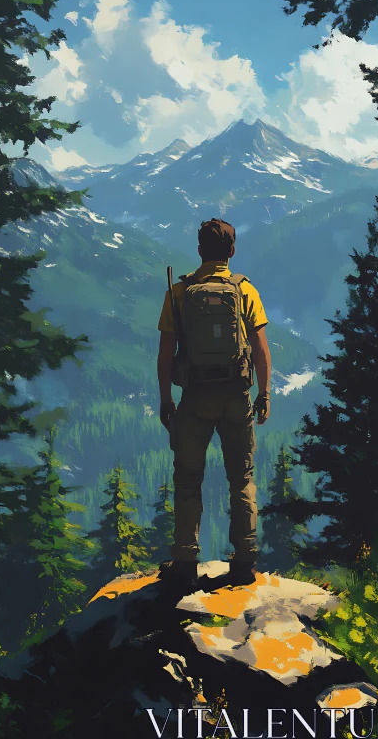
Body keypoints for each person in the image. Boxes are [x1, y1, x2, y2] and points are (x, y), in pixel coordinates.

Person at [157, 218, 271, 586]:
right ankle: (244, 562)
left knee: (188, 479)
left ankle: (185, 564)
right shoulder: (245, 290)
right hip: (236, 397)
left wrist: (165, 398)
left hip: (195, 399)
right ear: (232, 251)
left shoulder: (179, 292)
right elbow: (260, 348)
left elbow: (165, 352)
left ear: (200, 249)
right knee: (241, 478)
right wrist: (264, 392)